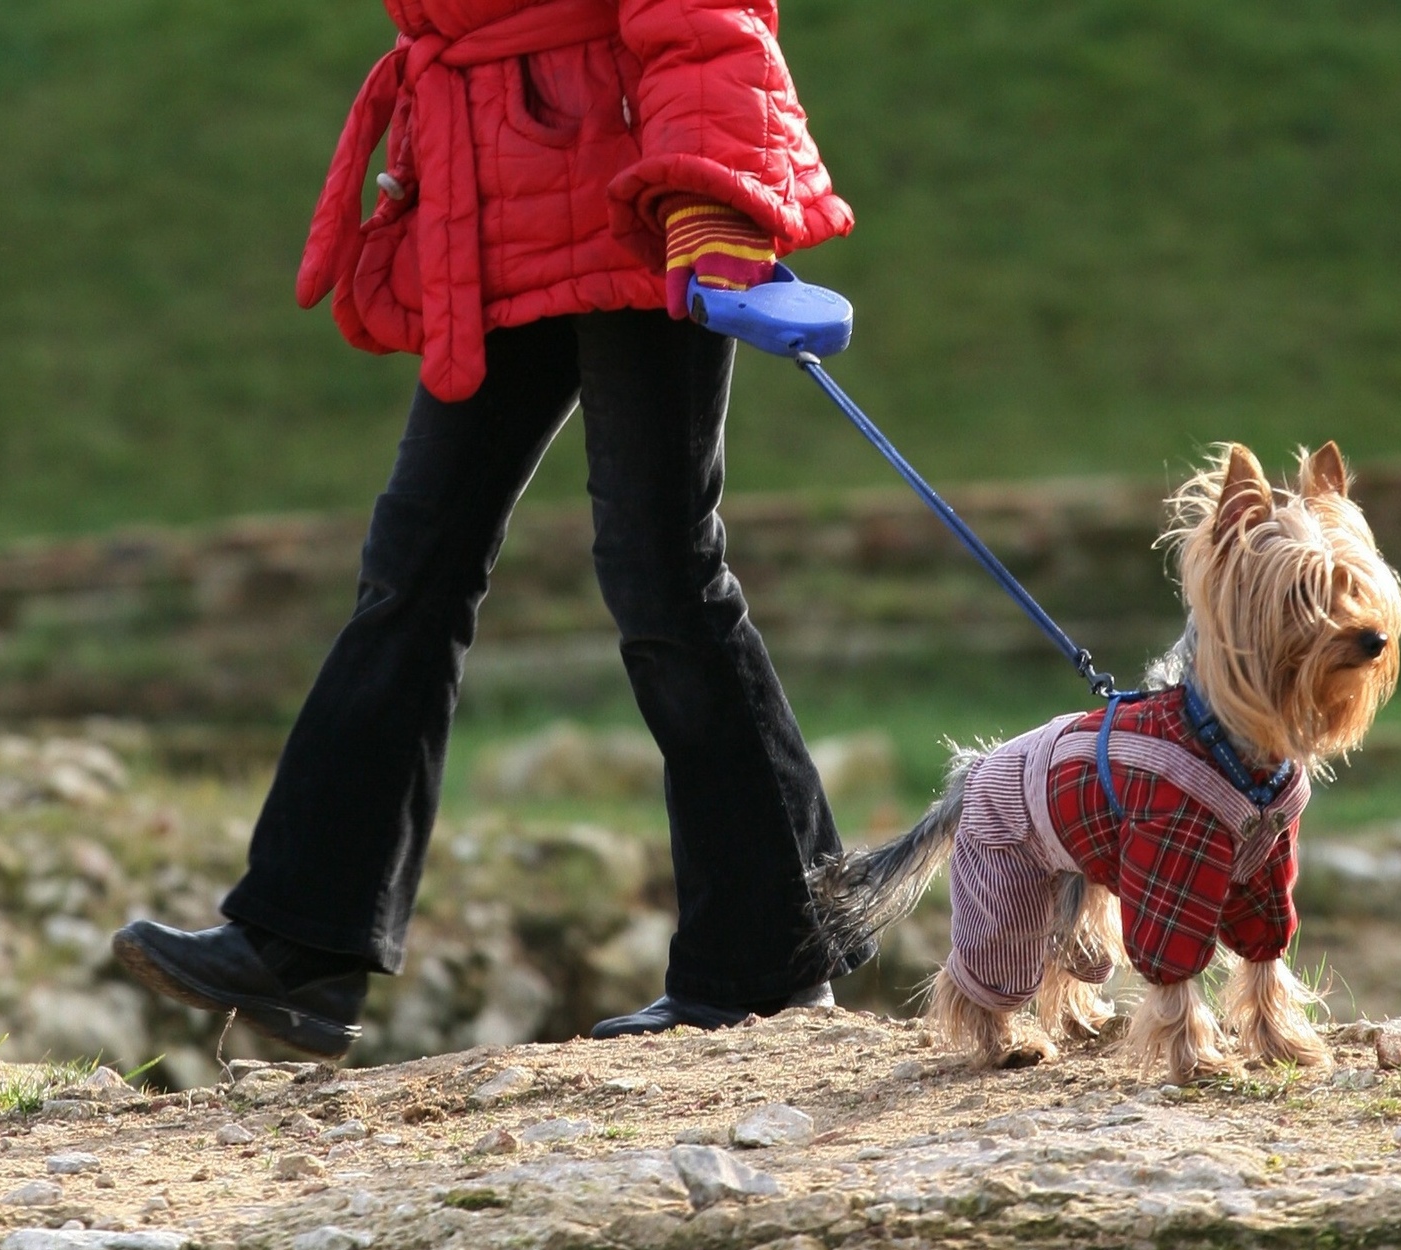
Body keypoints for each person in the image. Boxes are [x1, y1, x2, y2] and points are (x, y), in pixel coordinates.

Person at [111, 0, 869, 1057]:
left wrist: (713, 196)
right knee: (411, 568)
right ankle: (300, 944)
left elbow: (703, 20)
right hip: (498, 217)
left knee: (663, 574)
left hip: (637, 207)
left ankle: (768, 960)